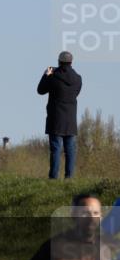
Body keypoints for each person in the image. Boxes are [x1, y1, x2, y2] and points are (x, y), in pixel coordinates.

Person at [38, 51, 83, 179]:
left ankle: (53, 177)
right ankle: (69, 177)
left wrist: (46, 75)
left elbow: (40, 90)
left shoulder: (53, 77)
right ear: (71, 62)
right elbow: (75, 93)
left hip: (55, 118)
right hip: (70, 120)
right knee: (70, 151)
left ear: (59, 62)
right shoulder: (78, 78)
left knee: (56, 149)